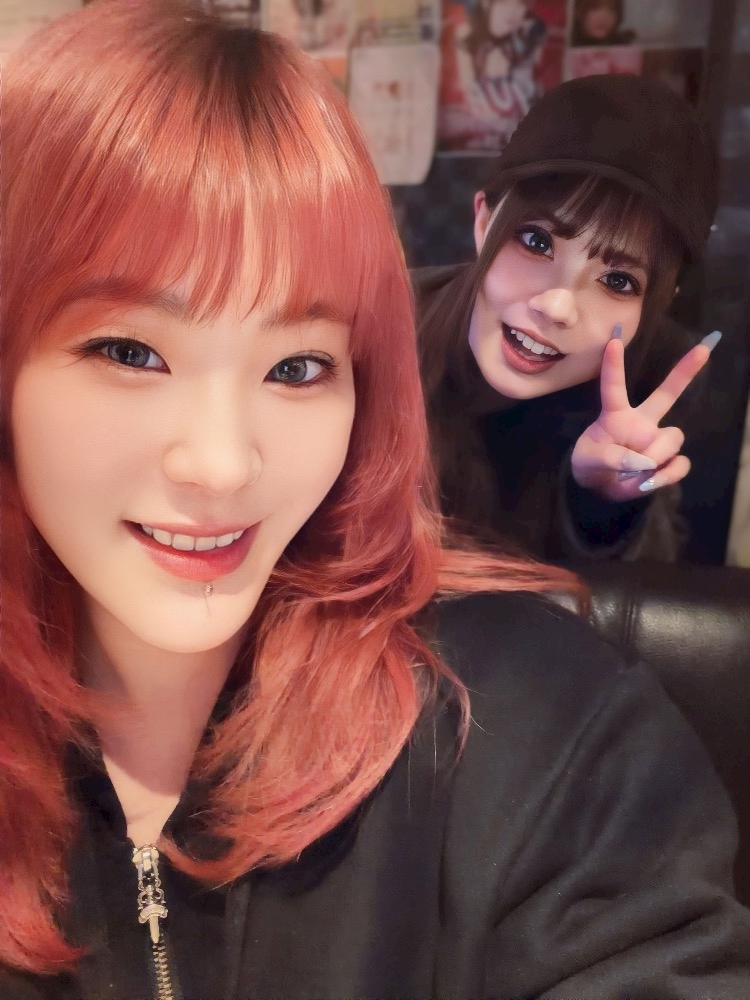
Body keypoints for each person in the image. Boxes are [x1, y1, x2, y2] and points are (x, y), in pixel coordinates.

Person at [2, 3, 750, 997]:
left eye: (297, 367)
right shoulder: (407, 328)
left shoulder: (543, 714)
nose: (222, 467)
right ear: (483, 222)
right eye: (131, 351)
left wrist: (602, 498)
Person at [417, 73, 719, 561]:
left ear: (656, 305)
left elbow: (649, 592)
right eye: (536, 241)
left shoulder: (654, 382)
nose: (557, 306)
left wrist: (601, 503)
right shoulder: (378, 321)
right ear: (483, 221)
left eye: (617, 280)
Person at [571, 0, 636, 47]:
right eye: (595, 8)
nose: (603, 17)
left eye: (612, 9)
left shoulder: (625, 44)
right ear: (579, 11)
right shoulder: (569, 42)